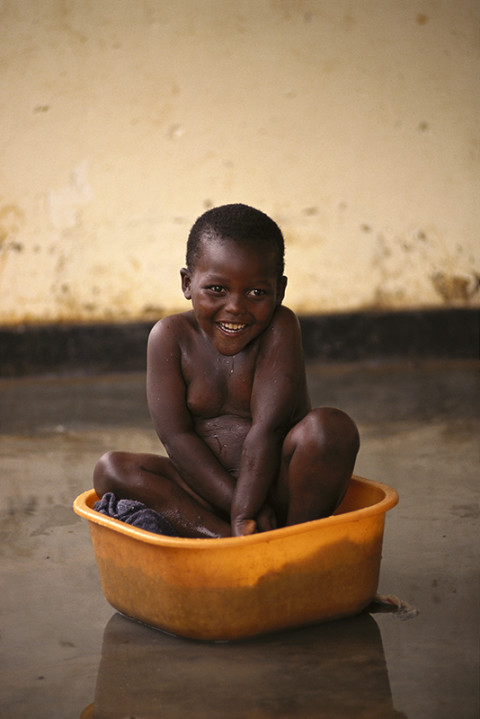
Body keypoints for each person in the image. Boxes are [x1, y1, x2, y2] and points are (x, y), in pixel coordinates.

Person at [93, 204, 359, 538]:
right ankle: (223, 540)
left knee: (329, 429)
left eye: (257, 292)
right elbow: (176, 437)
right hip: (201, 493)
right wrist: (242, 510)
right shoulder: (170, 337)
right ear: (188, 283)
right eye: (217, 289)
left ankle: (295, 539)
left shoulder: (280, 327)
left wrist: (250, 506)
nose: (235, 306)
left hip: (277, 491)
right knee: (111, 470)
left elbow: (268, 428)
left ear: (280, 291)